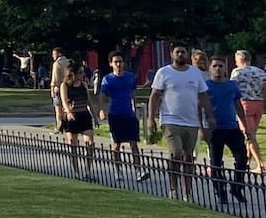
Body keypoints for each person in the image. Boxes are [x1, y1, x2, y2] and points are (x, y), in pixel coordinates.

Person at [148, 45, 209, 200]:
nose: (181, 54)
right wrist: (151, 118)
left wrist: (210, 116)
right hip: (170, 120)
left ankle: (187, 191)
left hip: (191, 121)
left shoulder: (195, 73)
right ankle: (173, 187)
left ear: (187, 54)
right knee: (176, 153)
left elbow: (203, 96)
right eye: (178, 52)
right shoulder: (164, 72)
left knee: (188, 157)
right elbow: (154, 96)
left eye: (183, 51)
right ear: (171, 54)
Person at [201, 55, 250, 204]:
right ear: (210, 69)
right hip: (214, 129)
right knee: (216, 162)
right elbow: (199, 107)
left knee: (242, 158)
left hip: (232, 127)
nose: (218, 69)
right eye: (215, 66)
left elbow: (238, 106)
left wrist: (245, 126)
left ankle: (236, 187)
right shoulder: (205, 86)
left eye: (220, 66)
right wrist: (202, 128)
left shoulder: (232, 85)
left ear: (225, 69)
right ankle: (220, 190)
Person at [98, 52, 146, 181]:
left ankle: (138, 171)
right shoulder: (107, 79)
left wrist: (134, 108)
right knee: (116, 144)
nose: (118, 64)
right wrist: (102, 110)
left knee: (134, 143)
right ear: (111, 64)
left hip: (129, 115)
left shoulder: (130, 77)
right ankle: (118, 170)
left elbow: (133, 93)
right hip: (115, 114)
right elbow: (102, 96)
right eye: (116, 62)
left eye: (120, 61)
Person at [231, 50, 266, 174]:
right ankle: (247, 161)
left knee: (250, 136)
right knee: (251, 134)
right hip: (258, 105)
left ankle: (260, 164)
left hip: (244, 104)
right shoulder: (260, 72)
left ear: (239, 60)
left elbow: (232, 89)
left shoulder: (237, 72)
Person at [55, 61, 95, 176]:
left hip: (84, 115)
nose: (83, 74)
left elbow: (89, 101)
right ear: (73, 74)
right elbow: (64, 100)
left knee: (90, 143)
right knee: (73, 144)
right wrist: (69, 112)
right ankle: (76, 171)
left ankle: (88, 170)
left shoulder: (83, 84)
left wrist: (95, 116)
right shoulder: (65, 85)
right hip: (72, 116)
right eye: (80, 72)